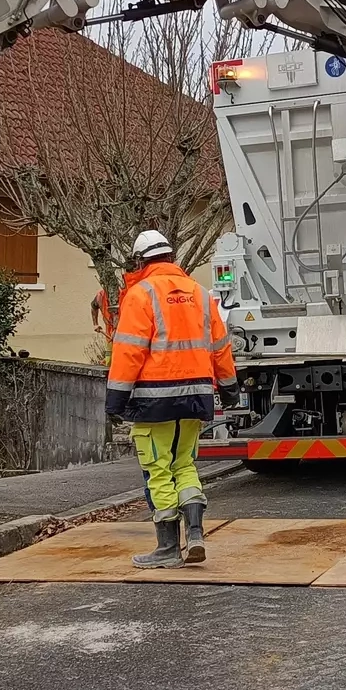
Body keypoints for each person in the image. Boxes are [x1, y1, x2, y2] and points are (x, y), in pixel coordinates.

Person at [106, 230, 237, 568]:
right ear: (171, 257)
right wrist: (229, 387)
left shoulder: (140, 294)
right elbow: (220, 346)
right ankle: (195, 533)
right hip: (196, 398)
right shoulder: (200, 293)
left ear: (140, 260)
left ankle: (167, 548)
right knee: (185, 465)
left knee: (158, 471)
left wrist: (115, 401)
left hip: (154, 402)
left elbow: (129, 352)